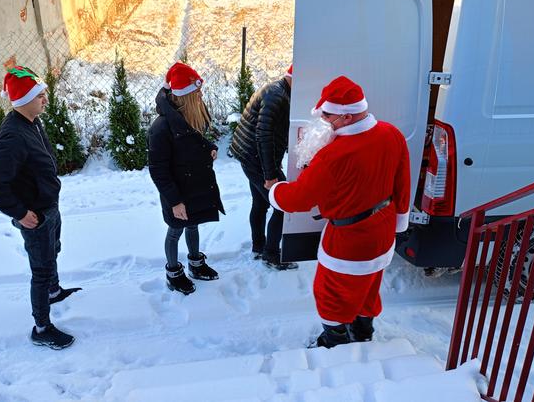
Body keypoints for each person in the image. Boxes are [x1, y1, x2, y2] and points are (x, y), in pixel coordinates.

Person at [268, 75, 410, 348]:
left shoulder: (333, 156)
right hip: (382, 231)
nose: (323, 121)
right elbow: (402, 183)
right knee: (368, 285)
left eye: (328, 116)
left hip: (348, 241)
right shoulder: (392, 133)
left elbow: (298, 199)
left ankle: (335, 339)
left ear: (346, 118)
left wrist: (276, 191)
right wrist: (399, 221)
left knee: (331, 291)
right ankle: (363, 331)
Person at [0, 66, 81, 350]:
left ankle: (53, 290)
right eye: (40, 95)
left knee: (54, 250)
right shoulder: (13, 136)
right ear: (23, 99)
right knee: (41, 267)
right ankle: (42, 327)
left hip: (49, 206)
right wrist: (21, 213)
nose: (45, 100)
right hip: (35, 215)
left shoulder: (31, 122)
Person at [148, 62, 224, 295]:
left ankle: (196, 263)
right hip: (177, 192)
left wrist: (209, 147)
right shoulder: (161, 128)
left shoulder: (188, 115)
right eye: (197, 92)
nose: (201, 95)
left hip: (195, 186)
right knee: (175, 230)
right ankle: (174, 273)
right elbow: (158, 169)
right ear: (185, 95)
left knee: (193, 224)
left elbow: (196, 142)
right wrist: (174, 201)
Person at [229, 65, 298, 271]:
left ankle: (259, 246)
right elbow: (263, 135)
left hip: (250, 155)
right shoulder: (277, 97)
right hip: (256, 159)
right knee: (283, 205)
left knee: (260, 204)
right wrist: (270, 175)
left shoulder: (278, 89)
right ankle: (271, 254)